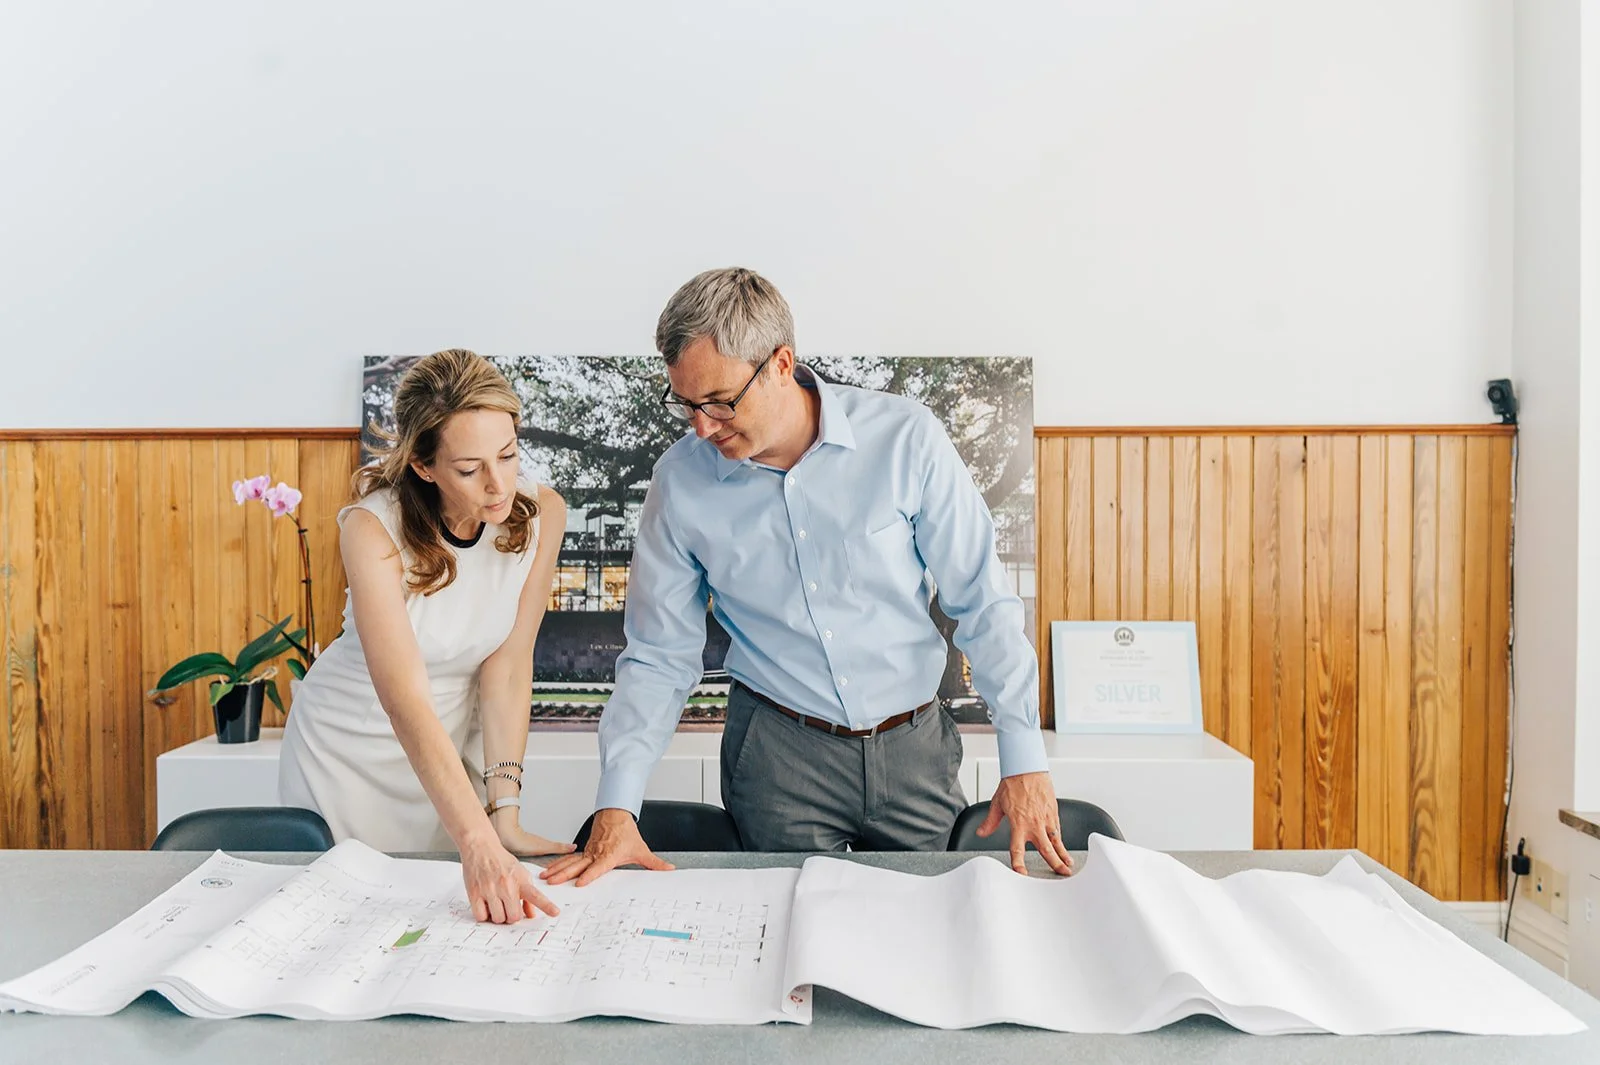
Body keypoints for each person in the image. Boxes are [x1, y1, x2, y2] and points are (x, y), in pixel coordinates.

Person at [542, 268, 1071, 888]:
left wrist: (1024, 757)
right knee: (772, 940)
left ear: (780, 363)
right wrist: (617, 803)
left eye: (719, 402)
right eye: (686, 403)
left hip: (914, 751)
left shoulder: (905, 439)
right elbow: (659, 655)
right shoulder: (680, 481)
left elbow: (983, 601)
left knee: (927, 928)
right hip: (776, 756)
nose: (701, 427)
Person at [280, 348, 574, 924]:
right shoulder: (373, 526)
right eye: (469, 469)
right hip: (348, 751)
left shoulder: (543, 514)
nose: (498, 485)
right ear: (423, 465)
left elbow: (508, 665)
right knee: (341, 925)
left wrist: (502, 814)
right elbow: (404, 697)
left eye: (509, 456)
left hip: (446, 762)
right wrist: (477, 840)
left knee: (441, 927)